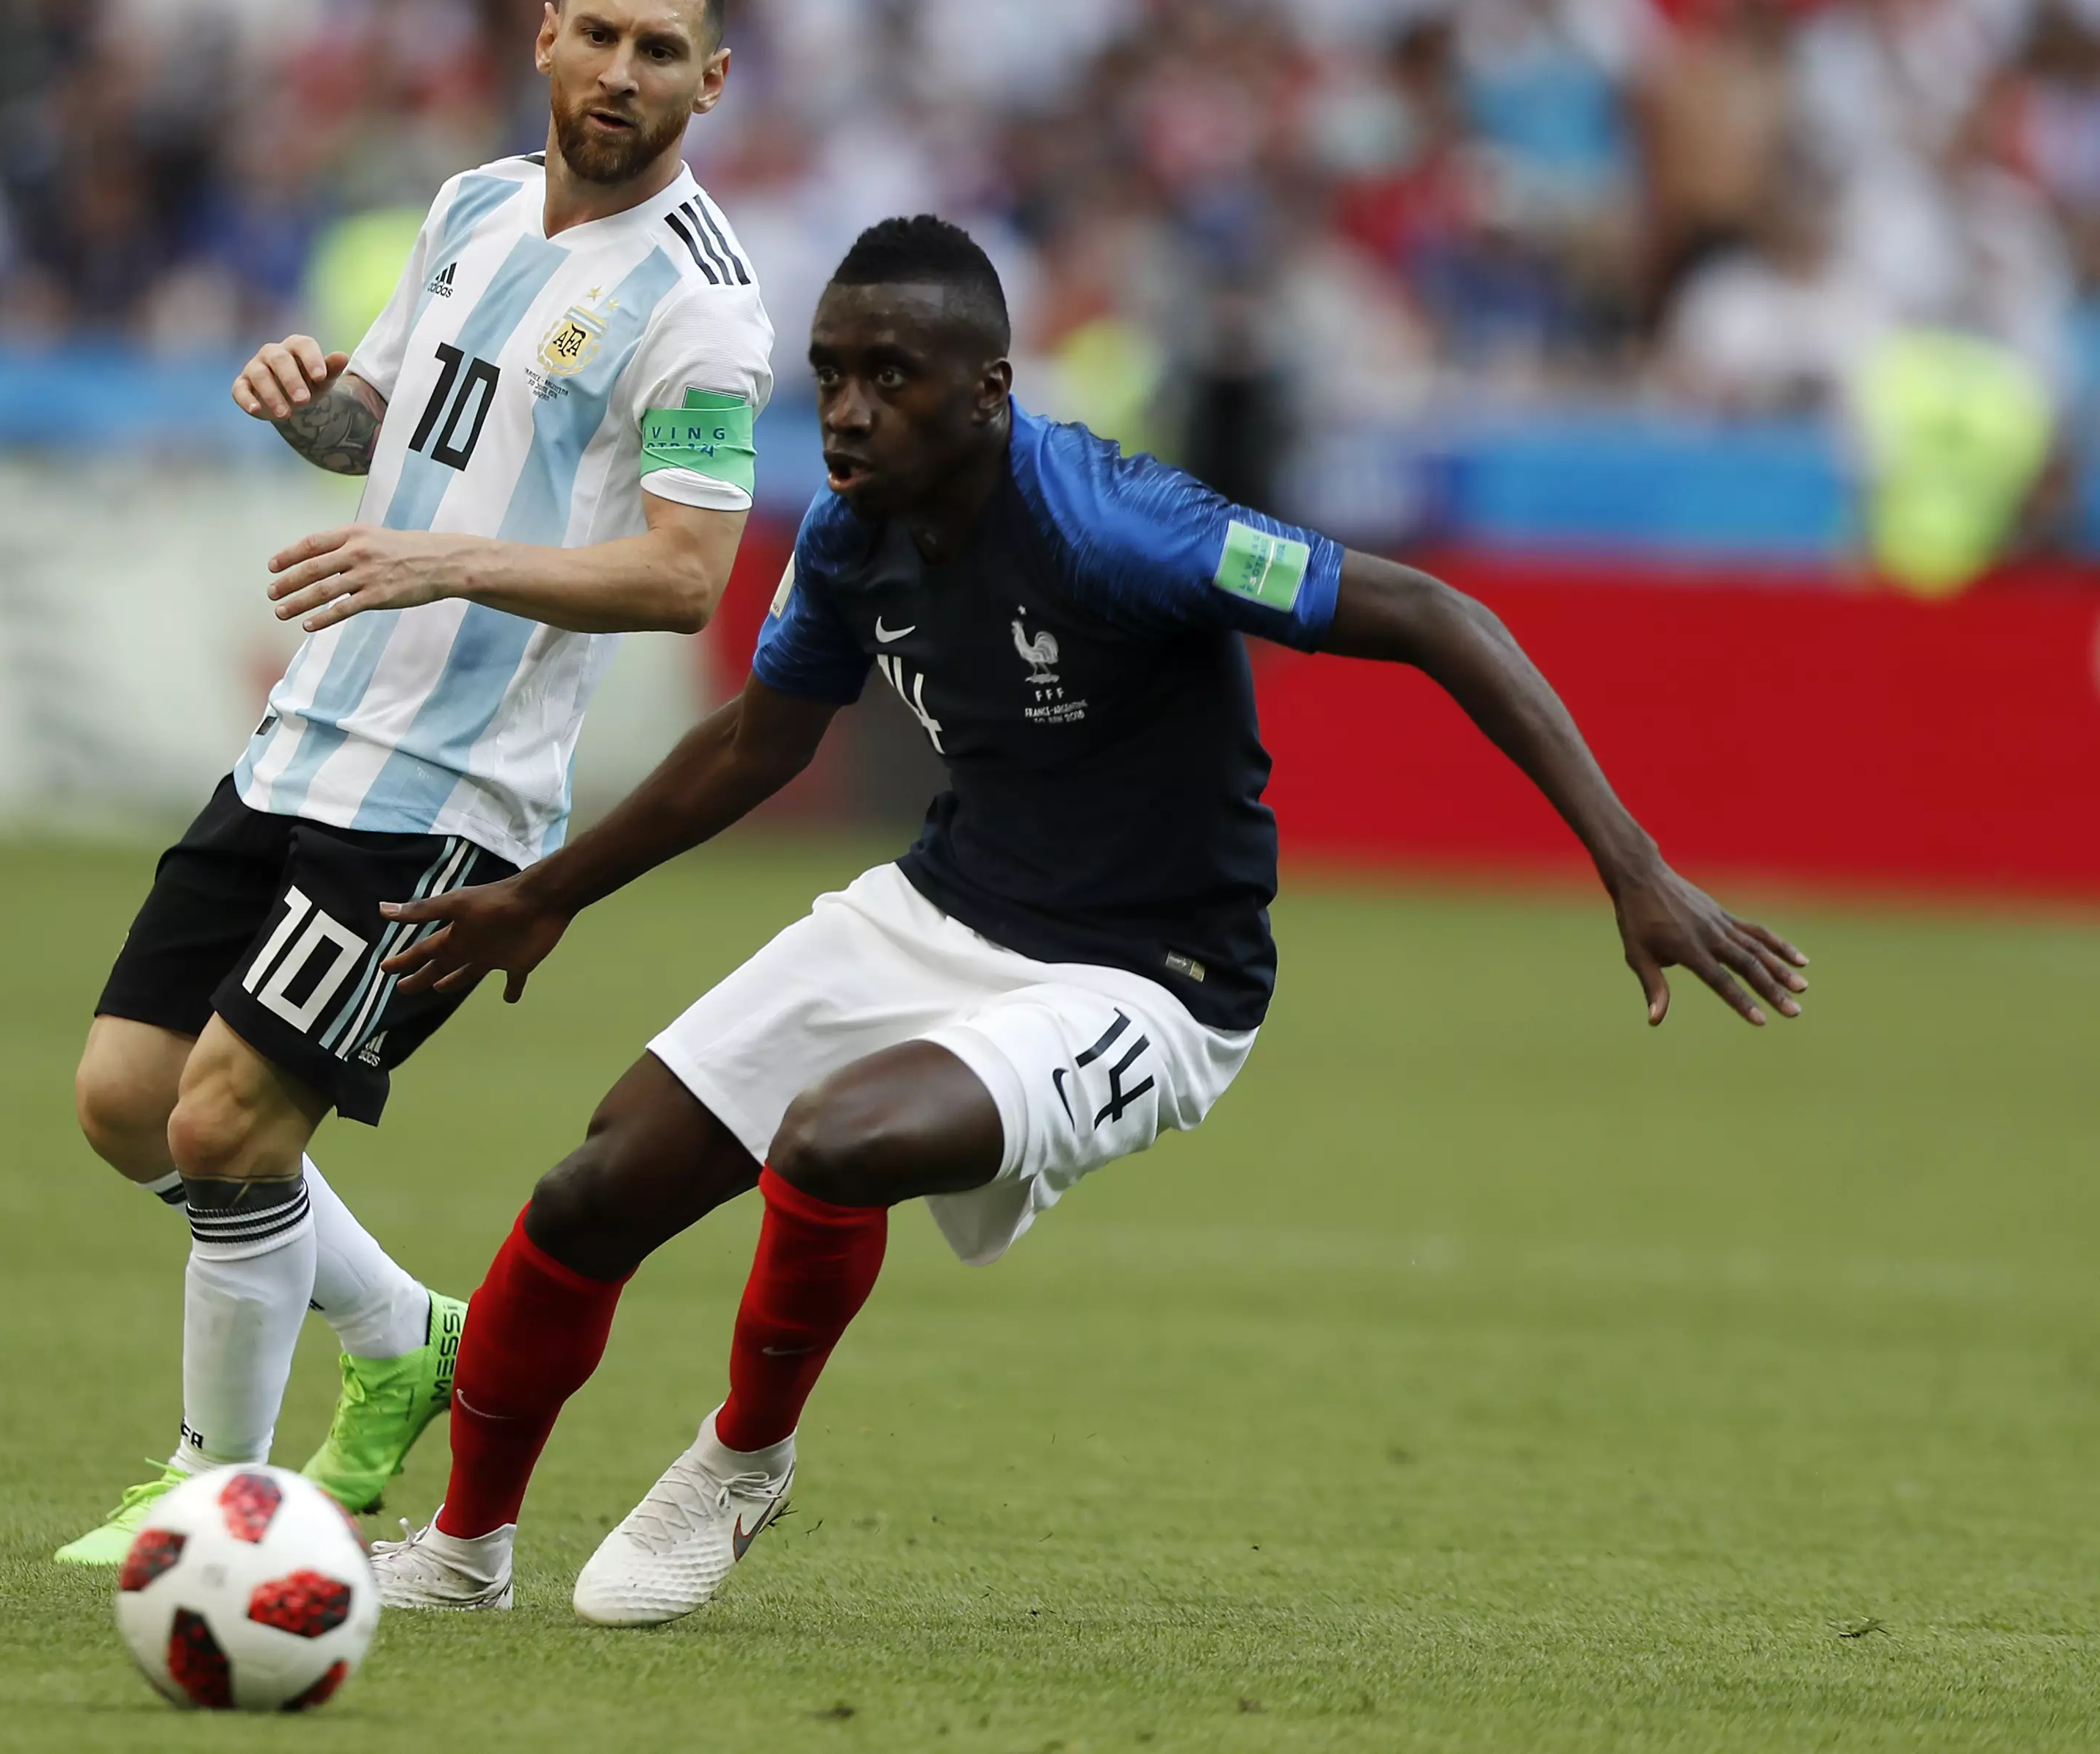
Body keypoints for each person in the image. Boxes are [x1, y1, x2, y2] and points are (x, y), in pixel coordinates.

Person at [363, 216, 1809, 1620]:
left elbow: (1431, 614)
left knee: (835, 1143)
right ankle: (463, 1552)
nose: (850, 414)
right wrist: (547, 896)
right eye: (832, 376)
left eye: (890, 378)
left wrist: (1631, 864)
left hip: (1155, 980)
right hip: (944, 906)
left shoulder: (1115, 525)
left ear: (990, 389)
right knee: (589, 1191)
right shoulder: (852, 537)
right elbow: (759, 744)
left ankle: (741, 1461)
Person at [54, 0, 774, 1565]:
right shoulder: (463, 204)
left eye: (659, 51)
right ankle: (407, 1341)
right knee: (122, 1097)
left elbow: (682, 578)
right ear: (544, 33)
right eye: (597, 35)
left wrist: (443, 556)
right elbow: (384, 431)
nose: (619, 73)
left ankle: (215, 1507)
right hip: (313, 727)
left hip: (457, 791)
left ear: (711, 81)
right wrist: (314, 402)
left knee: (227, 1125)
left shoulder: (704, 309)